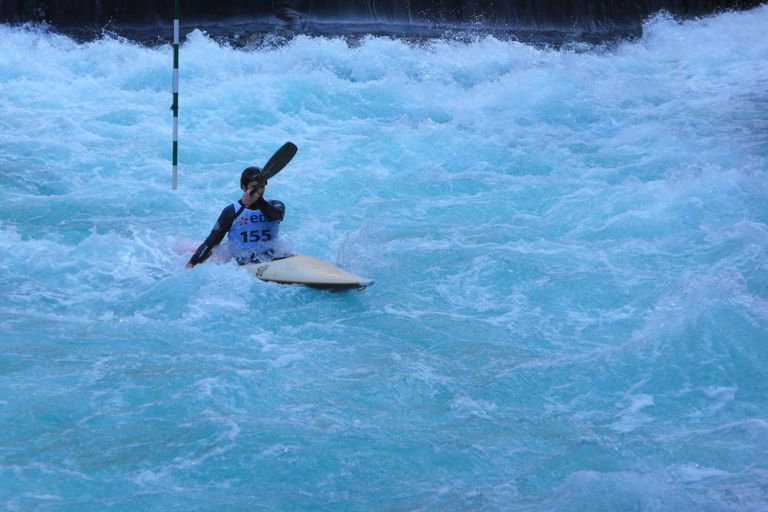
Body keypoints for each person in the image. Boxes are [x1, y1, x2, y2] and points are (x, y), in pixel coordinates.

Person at [186, 166, 286, 268]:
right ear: (243, 187)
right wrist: (192, 263)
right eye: (254, 187)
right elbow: (212, 242)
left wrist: (258, 200)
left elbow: (275, 216)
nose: (259, 191)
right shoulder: (231, 211)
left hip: (273, 257)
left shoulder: (275, 205)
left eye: (262, 186)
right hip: (244, 262)